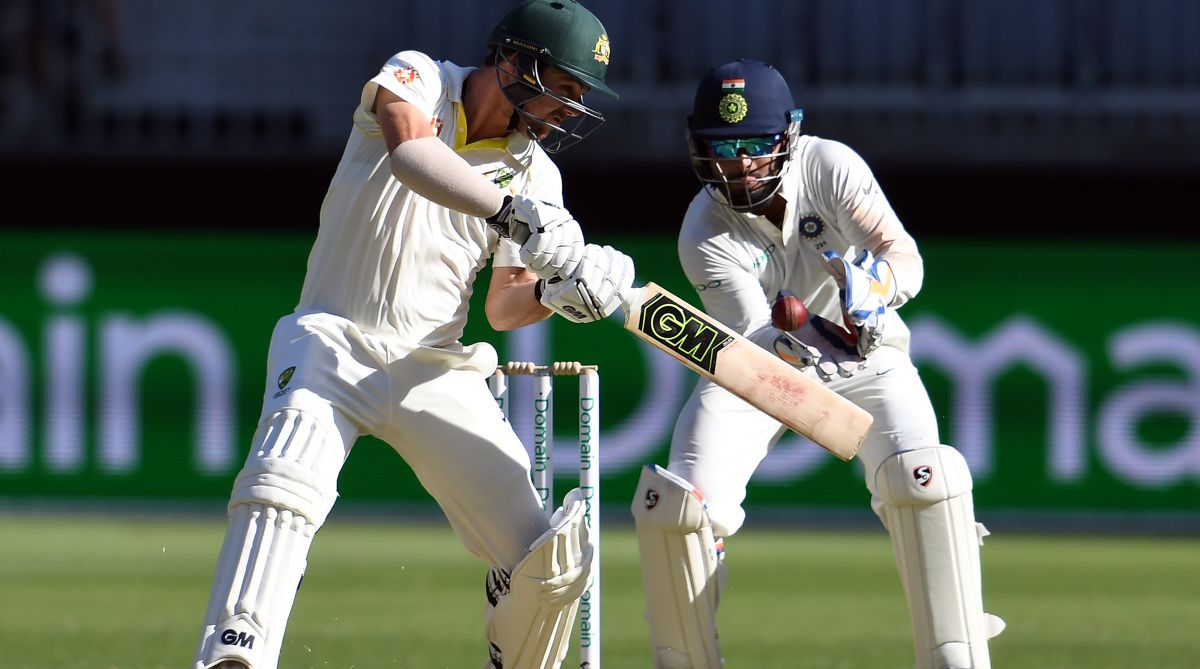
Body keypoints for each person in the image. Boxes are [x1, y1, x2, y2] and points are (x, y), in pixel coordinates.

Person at [191, 2, 635, 668]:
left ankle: (509, 631)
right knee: (281, 484)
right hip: (333, 340)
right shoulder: (421, 77)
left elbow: (507, 308)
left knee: (551, 560)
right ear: (512, 60)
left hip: (436, 369)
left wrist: (557, 290)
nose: (570, 110)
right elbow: (410, 153)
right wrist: (515, 216)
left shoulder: (539, 173)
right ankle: (236, 652)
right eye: (563, 88)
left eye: (579, 97)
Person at [630, 59, 1005, 668]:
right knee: (682, 506)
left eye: (755, 144)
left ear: (789, 136)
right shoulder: (703, 230)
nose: (741, 162)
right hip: (758, 370)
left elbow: (901, 254)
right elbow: (759, 341)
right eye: (722, 148)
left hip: (870, 361)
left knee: (925, 482)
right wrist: (809, 333)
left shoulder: (829, 166)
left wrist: (874, 289)